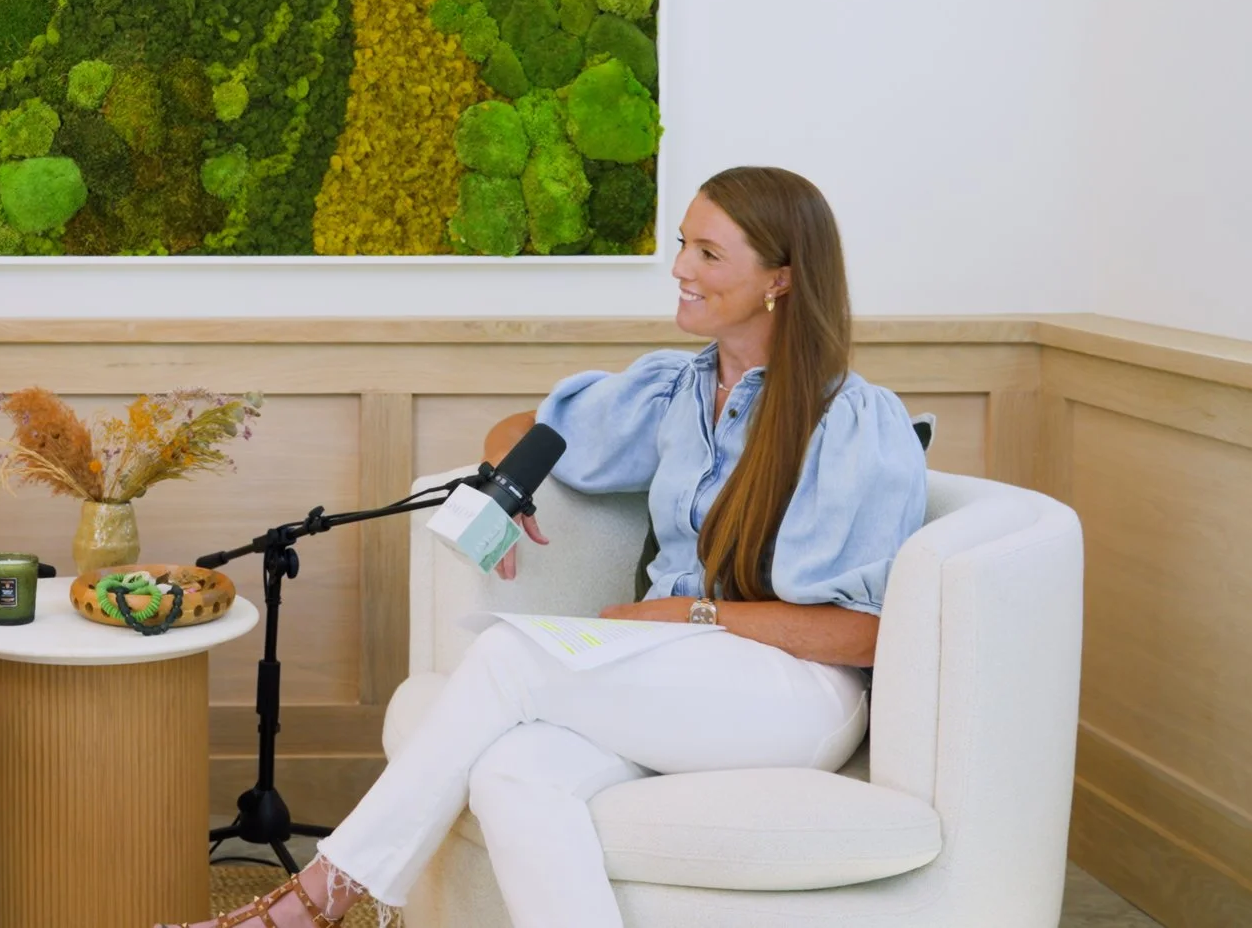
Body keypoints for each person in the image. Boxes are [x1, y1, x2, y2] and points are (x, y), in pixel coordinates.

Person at [169, 166, 930, 928]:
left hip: (793, 697)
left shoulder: (855, 422)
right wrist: (514, 489)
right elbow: (528, 431)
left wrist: (685, 616)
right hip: (682, 684)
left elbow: (862, 634)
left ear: (782, 279)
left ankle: (316, 901)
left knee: (510, 656)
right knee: (512, 771)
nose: (679, 269)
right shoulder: (676, 391)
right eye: (681, 245)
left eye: (708, 253)